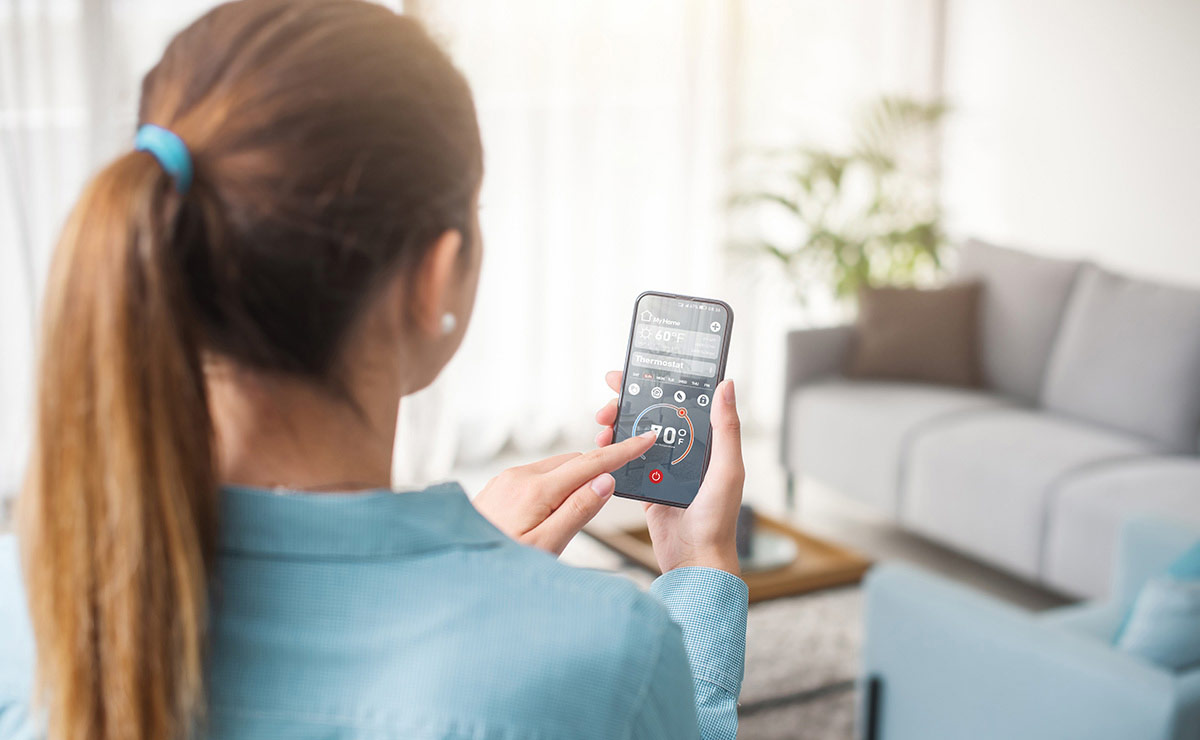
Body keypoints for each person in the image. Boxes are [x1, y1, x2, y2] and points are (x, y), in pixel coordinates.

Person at [0, 1, 748, 739]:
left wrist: (461, 585)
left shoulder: (22, 603)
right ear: (436, 276)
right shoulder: (609, 655)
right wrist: (699, 563)